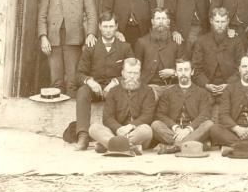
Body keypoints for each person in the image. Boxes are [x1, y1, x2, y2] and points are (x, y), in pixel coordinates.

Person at [37, 0, 98, 97]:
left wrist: (90, 34)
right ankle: (55, 116)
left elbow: (91, 14)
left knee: (72, 80)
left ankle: (71, 115)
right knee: (56, 80)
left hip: (74, 39)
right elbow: (42, 15)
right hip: (54, 39)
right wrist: (43, 37)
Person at [72, 11, 133, 150]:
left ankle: (118, 136)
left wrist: (115, 82)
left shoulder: (125, 47)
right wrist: (90, 81)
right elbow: (79, 74)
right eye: (105, 26)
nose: (108, 30)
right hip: (96, 88)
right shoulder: (91, 47)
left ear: (116, 26)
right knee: (82, 91)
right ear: (99, 26)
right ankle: (83, 136)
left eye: (111, 26)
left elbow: (132, 72)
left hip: (116, 89)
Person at [88, 58, 155, 155]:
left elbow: (147, 115)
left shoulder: (148, 91)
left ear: (140, 74)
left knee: (147, 130)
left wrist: (131, 126)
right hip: (117, 132)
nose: (132, 76)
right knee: (94, 128)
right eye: (129, 73)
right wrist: (118, 129)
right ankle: (131, 147)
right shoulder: (113, 91)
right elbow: (107, 118)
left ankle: (111, 145)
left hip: (136, 133)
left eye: (135, 73)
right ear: (123, 73)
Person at [151, 59, 214, 154]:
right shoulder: (168, 93)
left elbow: (204, 115)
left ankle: (174, 147)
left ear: (192, 72)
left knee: (209, 124)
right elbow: (160, 114)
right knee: (155, 124)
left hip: (193, 130)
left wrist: (188, 129)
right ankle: (193, 145)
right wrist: (175, 127)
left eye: (186, 70)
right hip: (174, 132)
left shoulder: (202, 93)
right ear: (176, 73)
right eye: (180, 70)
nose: (183, 73)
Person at [192, 7, 247, 115]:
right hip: (207, 87)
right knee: (202, 109)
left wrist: (228, 84)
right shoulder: (201, 41)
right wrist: (206, 84)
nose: (220, 25)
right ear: (211, 21)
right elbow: (196, 69)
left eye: (223, 21)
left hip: (229, 86)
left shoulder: (236, 41)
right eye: (217, 21)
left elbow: (241, 68)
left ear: (227, 22)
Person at [134, 8, 188, 99]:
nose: (161, 22)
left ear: (168, 21)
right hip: (149, 87)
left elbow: (185, 68)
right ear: (152, 21)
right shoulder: (142, 42)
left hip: (172, 87)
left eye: (163, 19)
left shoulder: (176, 42)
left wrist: (174, 72)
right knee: (149, 99)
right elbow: (135, 69)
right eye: (158, 19)